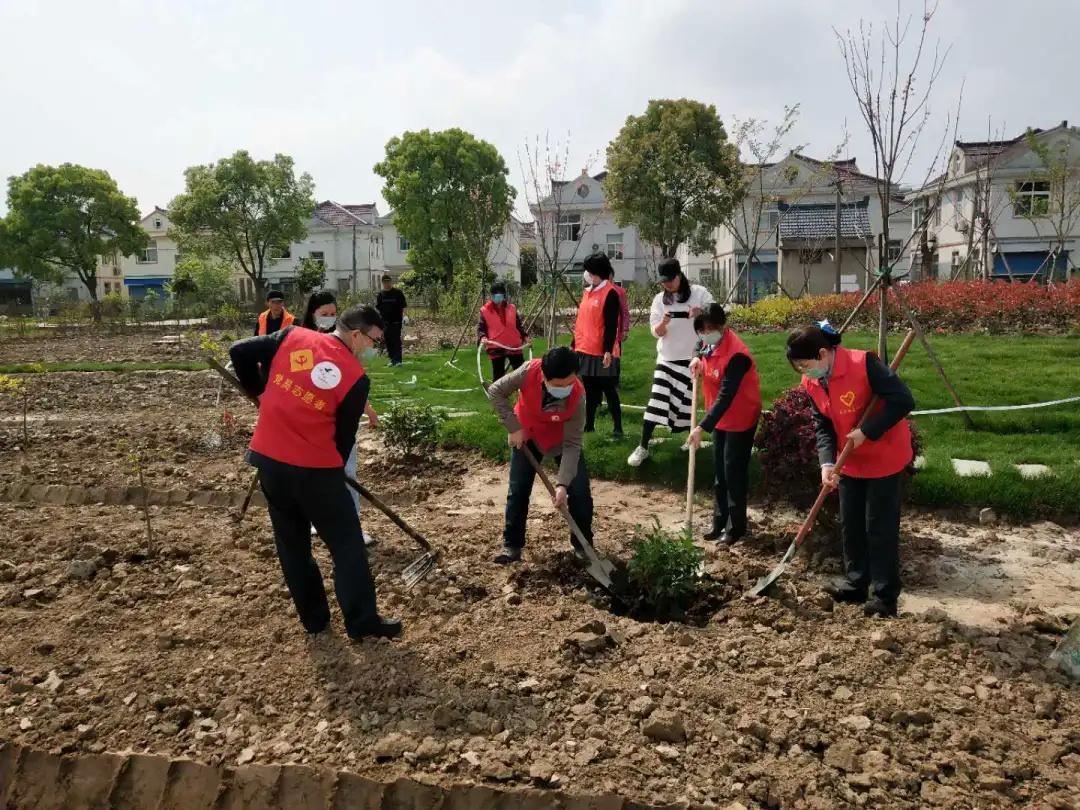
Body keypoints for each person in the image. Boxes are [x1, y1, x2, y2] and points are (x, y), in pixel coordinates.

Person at [228, 304, 401, 640]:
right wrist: (328, 469)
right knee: (347, 544)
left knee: (292, 545)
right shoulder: (354, 378)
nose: (371, 348)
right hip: (316, 471)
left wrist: (258, 392)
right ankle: (362, 622)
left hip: (270, 462)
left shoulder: (292, 336)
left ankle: (314, 621)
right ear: (355, 334)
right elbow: (343, 438)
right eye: (372, 341)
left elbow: (238, 351)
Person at [786, 322, 915, 619]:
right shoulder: (813, 383)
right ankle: (856, 583)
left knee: (879, 527)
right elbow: (823, 425)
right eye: (799, 368)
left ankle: (884, 597)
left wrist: (868, 431)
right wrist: (826, 463)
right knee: (852, 524)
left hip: (883, 455)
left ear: (823, 353)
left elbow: (903, 400)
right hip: (850, 460)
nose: (805, 373)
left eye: (806, 365)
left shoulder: (863, 364)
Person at [487, 346, 594, 565]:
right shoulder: (529, 371)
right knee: (518, 491)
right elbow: (496, 391)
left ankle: (583, 547)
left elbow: (573, 444)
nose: (565, 388)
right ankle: (512, 545)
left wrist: (563, 484)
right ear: (545, 377)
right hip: (527, 435)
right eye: (558, 385)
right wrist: (513, 426)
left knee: (580, 493)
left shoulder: (578, 397)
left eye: (569, 383)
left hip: (561, 440)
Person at [300, 290, 377, 548]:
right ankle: (317, 521)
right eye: (324, 314)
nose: (329, 319)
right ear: (313, 314)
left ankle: (352, 524)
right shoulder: (303, 342)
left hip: (340, 419)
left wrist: (367, 407)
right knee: (312, 475)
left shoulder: (347, 343)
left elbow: (352, 382)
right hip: (312, 420)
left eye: (333, 314)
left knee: (347, 471)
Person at [627, 257, 714, 467]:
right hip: (666, 358)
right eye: (663, 281)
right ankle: (643, 446)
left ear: (679, 275)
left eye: (670, 280)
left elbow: (716, 318)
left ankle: (690, 440)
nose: (667, 284)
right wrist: (664, 323)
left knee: (686, 405)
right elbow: (656, 333)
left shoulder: (699, 293)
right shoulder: (659, 300)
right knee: (656, 402)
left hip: (691, 358)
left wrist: (699, 313)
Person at [686, 304, 761, 544]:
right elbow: (699, 346)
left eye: (710, 328)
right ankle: (718, 521)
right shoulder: (709, 343)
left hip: (739, 416)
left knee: (733, 473)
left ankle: (735, 527)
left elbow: (726, 396)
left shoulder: (737, 355)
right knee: (719, 472)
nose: (705, 333)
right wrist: (695, 358)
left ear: (722, 326)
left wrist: (701, 427)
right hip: (718, 416)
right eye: (702, 329)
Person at [572, 252, 623, 437]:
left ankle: (617, 427)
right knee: (590, 392)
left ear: (597, 272)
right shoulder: (587, 292)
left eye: (589, 271)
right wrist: (574, 344)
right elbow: (581, 322)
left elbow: (611, 326)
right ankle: (589, 425)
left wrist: (608, 351)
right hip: (584, 350)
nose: (586, 274)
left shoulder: (610, 293)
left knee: (609, 390)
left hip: (602, 352)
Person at [477, 280, 529, 381]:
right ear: (491, 296)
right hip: (496, 347)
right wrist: (483, 337)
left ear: (504, 295)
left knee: (522, 373)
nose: (498, 297)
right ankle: (497, 395)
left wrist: (525, 336)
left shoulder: (511, 308)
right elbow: (481, 328)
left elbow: (518, 325)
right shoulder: (485, 310)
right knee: (498, 375)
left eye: (500, 295)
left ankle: (523, 393)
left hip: (514, 346)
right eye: (495, 295)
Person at [376, 274, 407, 366]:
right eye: (385, 282)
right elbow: (378, 308)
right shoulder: (380, 295)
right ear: (383, 283)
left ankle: (398, 361)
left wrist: (405, 318)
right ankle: (392, 360)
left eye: (388, 282)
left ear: (391, 282)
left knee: (396, 341)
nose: (387, 284)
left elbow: (404, 306)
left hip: (396, 321)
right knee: (388, 341)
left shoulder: (398, 293)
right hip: (385, 322)